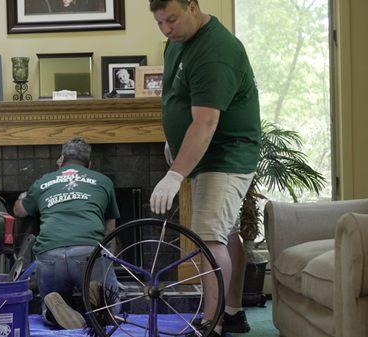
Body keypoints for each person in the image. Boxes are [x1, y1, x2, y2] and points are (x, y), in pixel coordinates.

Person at [148, 1, 261, 337]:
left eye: (172, 19)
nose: (166, 29)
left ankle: (209, 325)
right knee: (223, 233)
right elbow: (178, 96)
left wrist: (174, 174)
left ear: (193, 7)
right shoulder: (178, 40)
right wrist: (176, 141)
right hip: (207, 155)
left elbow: (207, 121)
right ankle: (233, 311)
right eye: (159, 22)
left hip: (226, 154)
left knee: (208, 238)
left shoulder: (216, 50)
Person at [13, 136, 121, 330]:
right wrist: (107, 257)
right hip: (88, 253)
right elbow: (110, 224)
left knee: (50, 305)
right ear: (89, 164)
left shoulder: (44, 181)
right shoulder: (103, 181)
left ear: (61, 160)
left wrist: (23, 197)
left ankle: (53, 311)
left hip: (50, 254)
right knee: (112, 308)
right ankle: (100, 305)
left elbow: (19, 211)